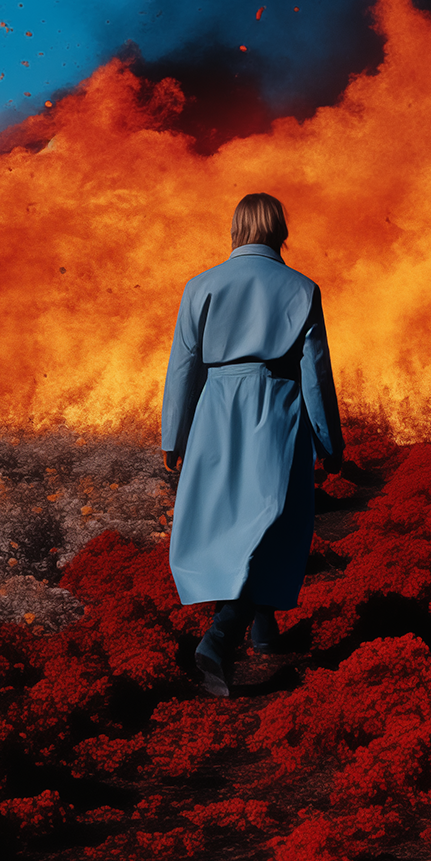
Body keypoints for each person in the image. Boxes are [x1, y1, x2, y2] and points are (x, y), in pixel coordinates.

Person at [161, 192, 344, 696]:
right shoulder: (302, 288)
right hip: (277, 406)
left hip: (217, 409)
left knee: (232, 517)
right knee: (270, 517)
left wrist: (172, 434)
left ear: (236, 229)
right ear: (281, 230)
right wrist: (330, 441)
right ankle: (220, 638)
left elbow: (184, 366)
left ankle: (264, 632)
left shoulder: (201, 286)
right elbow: (316, 374)